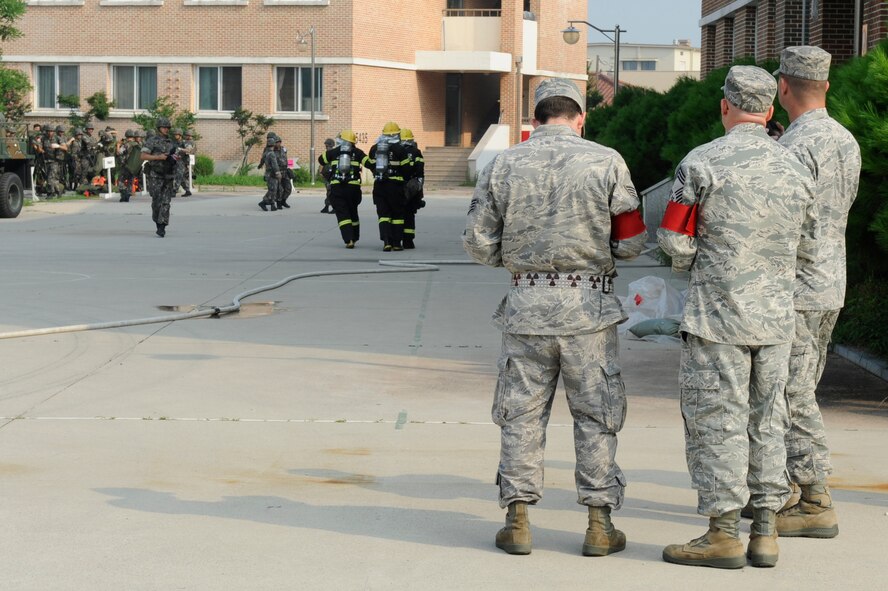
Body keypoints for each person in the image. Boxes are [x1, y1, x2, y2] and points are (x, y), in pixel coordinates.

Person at [464, 78, 647, 557]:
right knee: (596, 416)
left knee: (521, 415)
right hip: (588, 312)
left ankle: (518, 520)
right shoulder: (607, 161)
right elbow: (630, 242)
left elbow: (478, 241)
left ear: (535, 118)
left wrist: (519, 255)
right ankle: (598, 524)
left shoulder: (504, 163)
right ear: (581, 117)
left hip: (526, 310)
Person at [658, 66, 817, 569]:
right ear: (770, 110)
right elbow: (810, 245)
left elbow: (675, 244)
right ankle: (766, 532)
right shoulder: (796, 168)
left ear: (724, 106)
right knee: (769, 419)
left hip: (717, 319)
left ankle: (724, 533)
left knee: (717, 420)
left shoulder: (699, 164)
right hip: (776, 319)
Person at [773, 46, 862, 539]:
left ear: (783, 87)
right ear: (825, 86)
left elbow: (785, 223)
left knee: (792, 391)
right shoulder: (845, 140)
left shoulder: (792, 147)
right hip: (830, 283)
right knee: (799, 385)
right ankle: (787, 488)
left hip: (794, 288)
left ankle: (813, 498)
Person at [318, 129, 368, 248]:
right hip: (353, 188)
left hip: (337, 187)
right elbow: (369, 163)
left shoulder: (335, 152)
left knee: (342, 213)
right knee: (353, 212)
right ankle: (355, 237)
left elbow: (321, 160)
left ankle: (348, 239)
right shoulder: (358, 152)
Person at [367, 122, 409, 251]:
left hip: (380, 186)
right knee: (397, 215)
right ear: (397, 134)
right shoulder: (401, 149)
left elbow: (371, 165)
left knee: (383, 214)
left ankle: (386, 242)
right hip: (395, 187)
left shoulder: (375, 149)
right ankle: (396, 243)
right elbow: (407, 169)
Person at [140, 117, 182, 237]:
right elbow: (142, 156)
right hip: (155, 175)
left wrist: (175, 158)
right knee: (156, 201)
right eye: (164, 127)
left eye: (168, 127)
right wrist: (158, 157)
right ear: (159, 128)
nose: (166, 129)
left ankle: (162, 225)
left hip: (168, 175)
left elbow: (176, 157)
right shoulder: (152, 141)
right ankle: (157, 220)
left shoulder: (172, 143)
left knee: (166, 202)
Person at [400, 128, 425, 249]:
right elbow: (420, 172)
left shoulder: (396, 151)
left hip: (398, 187)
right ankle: (408, 241)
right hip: (412, 187)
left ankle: (396, 240)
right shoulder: (416, 152)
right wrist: (419, 189)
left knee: (398, 214)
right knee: (410, 214)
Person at [258, 136, 281, 212]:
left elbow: (262, 161)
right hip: (272, 174)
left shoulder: (265, 153)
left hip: (268, 174)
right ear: (273, 144)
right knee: (273, 190)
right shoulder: (272, 154)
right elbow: (275, 165)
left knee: (272, 189)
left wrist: (260, 165)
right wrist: (278, 173)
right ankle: (264, 202)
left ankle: (272, 205)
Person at [320, 137, 336, 213]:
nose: (326, 147)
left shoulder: (334, 153)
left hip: (332, 175)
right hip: (326, 175)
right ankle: (326, 206)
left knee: (331, 191)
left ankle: (334, 207)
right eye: (326, 146)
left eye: (327, 145)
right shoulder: (326, 153)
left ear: (331, 145)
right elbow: (322, 163)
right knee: (328, 191)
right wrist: (321, 172)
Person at [180, 130, 195, 197]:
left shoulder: (189, 142)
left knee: (183, 176)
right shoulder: (192, 142)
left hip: (187, 161)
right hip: (189, 161)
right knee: (186, 176)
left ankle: (187, 189)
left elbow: (188, 151)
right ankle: (188, 188)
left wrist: (180, 149)